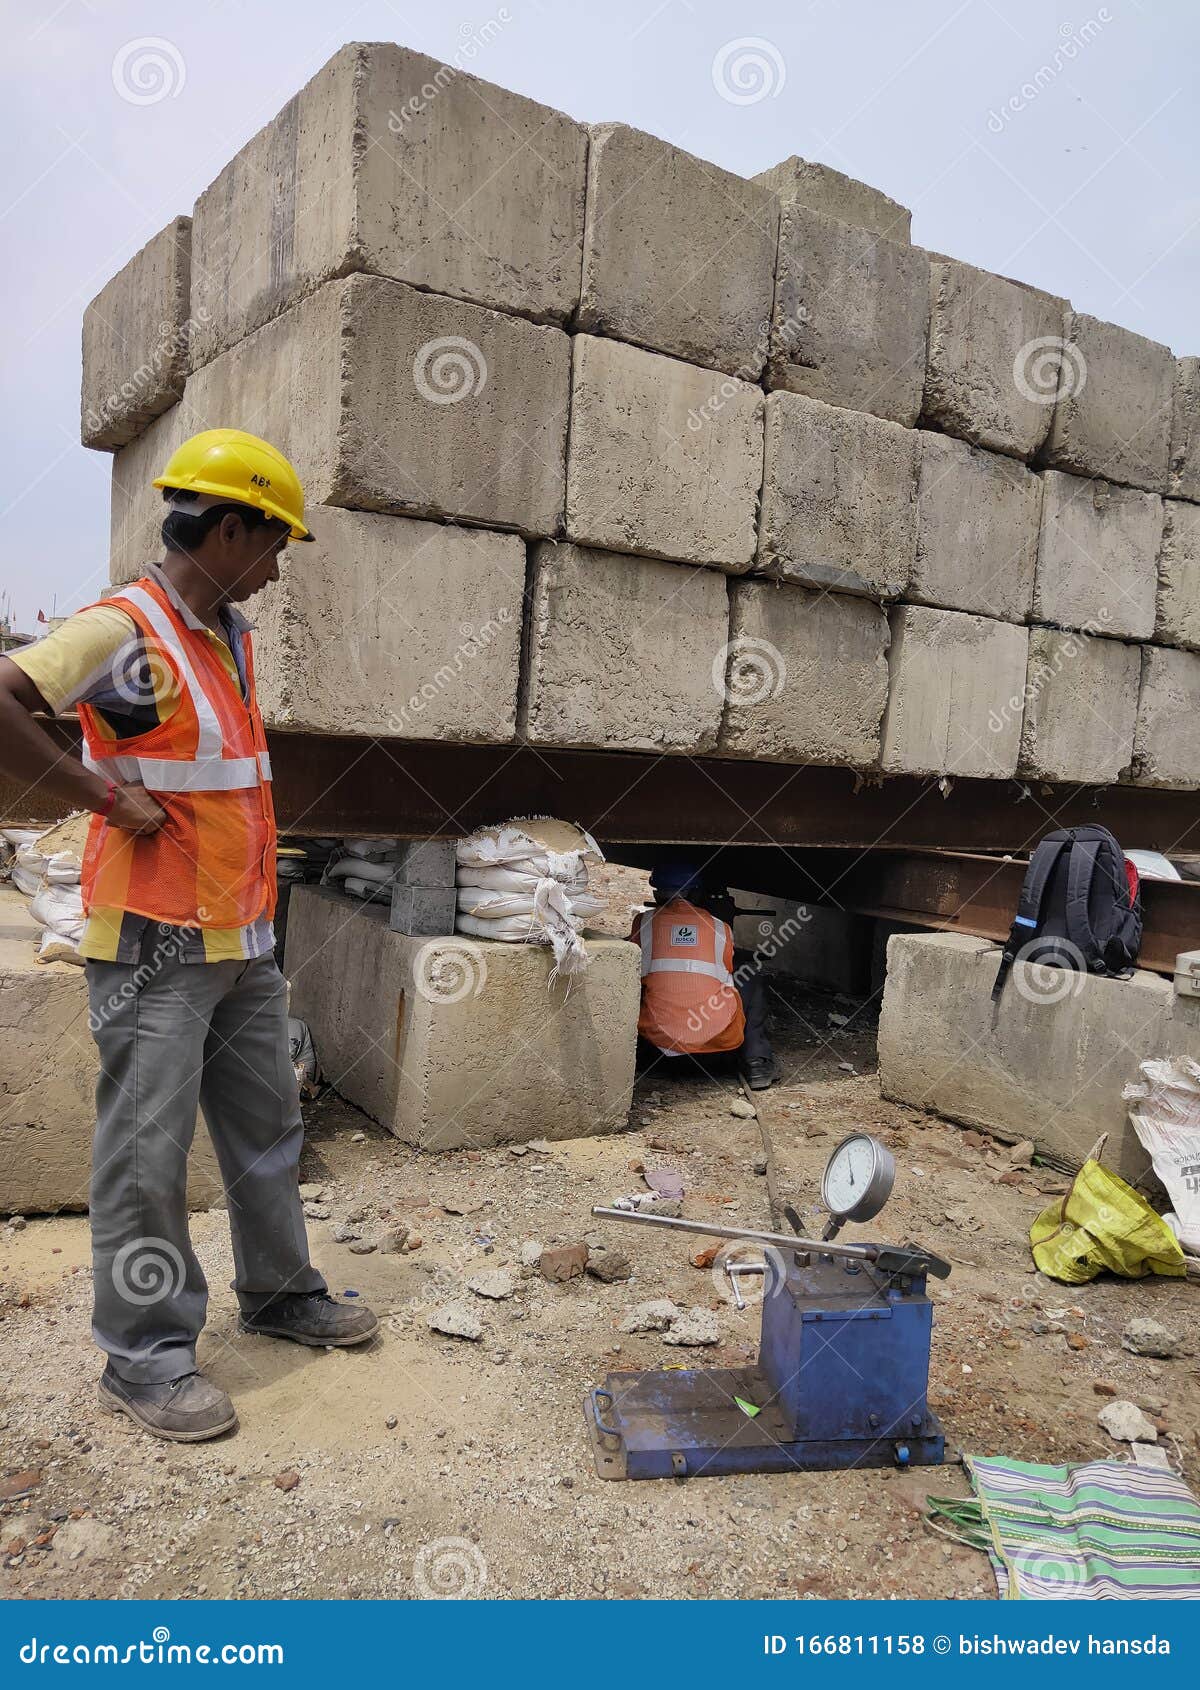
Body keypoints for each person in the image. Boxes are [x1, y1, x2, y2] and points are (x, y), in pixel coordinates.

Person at [0, 428, 377, 1443]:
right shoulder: (122, 630)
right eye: (273, 539)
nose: (280, 561)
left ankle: (279, 1292)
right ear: (223, 527)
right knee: (144, 1155)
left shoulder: (227, 633)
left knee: (265, 1132)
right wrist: (93, 794)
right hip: (155, 943)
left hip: (239, 940)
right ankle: (147, 1356)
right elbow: (6, 699)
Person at [631, 859, 778, 1090]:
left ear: (658, 893)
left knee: (633, 979)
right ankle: (756, 1062)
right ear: (698, 894)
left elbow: (636, 971)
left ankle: (629, 1051)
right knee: (749, 975)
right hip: (717, 1054)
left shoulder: (643, 923)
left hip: (657, 1056)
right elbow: (727, 969)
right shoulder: (721, 928)